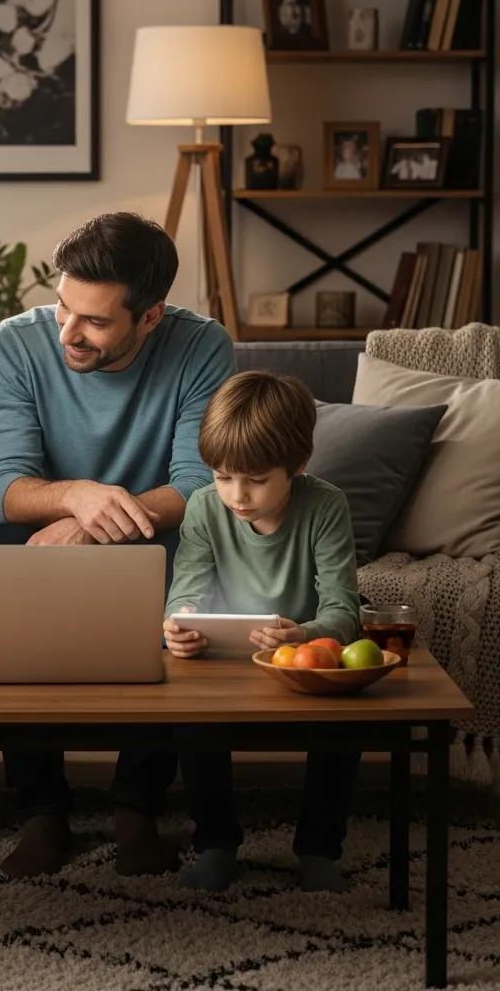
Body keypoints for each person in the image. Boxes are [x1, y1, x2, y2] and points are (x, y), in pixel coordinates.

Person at [0, 211, 236, 878]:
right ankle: (42, 811)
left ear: (150, 317)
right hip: (43, 533)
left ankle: (136, 807)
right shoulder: (16, 343)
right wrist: (74, 497)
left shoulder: (202, 346)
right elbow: (1, 488)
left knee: (190, 578)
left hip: (157, 534)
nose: (69, 332)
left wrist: (93, 522)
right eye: (63, 308)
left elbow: (195, 487)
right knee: (5, 570)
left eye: (95, 322)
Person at [163, 370, 361, 893]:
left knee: (342, 722)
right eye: (224, 476)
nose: (237, 495)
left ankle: (319, 849)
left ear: (297, 465)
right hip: (224, 662)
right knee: (193, 718)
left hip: (303, 661)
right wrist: (178, 626)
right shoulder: (206, 506)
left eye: (255, 479)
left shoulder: (325, 505)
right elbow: (185, 592)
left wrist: (302, 635)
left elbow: (344, 610)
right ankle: (215, 843)